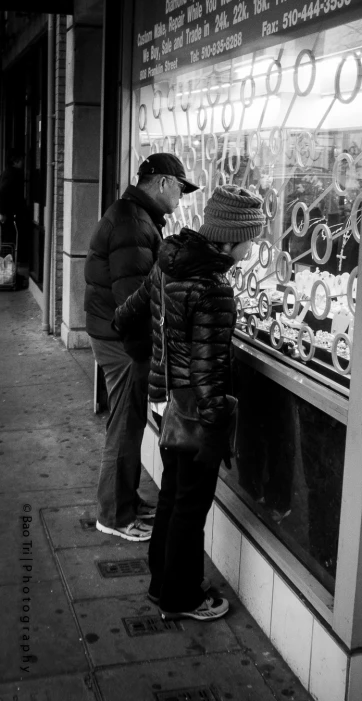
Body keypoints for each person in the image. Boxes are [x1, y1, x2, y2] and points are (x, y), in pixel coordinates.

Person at [114, 184, 265, 620]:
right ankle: (182, 598)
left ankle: (162, 584)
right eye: (250, 239)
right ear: (232, 237)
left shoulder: (169, 262)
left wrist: (152, 363)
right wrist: (218, 427)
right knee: (189, 509)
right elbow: (208, 372)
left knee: (171, 498)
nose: (250, 249)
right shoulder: (213, 287)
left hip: (167, 404)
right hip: (196, 415)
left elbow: (127, 314)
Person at [84, 153, 199, 541]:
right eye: (181, 188)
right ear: (163, 183)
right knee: (124, 426)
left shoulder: (136, 215)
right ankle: (114, 514)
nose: (181, 197)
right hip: (122, 343)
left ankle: (125, 501)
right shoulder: (134, 223)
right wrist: (145, 355)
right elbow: (132, 302)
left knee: (128, 422)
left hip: (113, 335)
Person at [0, 150, 26, 254]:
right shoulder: (13, 174)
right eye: (21, 160)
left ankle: (6, 266)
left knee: (7, 241)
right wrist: (2, 212)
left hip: (7, 213)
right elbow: (1, 192)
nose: (23, 163)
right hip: (9, 213)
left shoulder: (6, 172)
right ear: (15, 161)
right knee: (9, 241)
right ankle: (7, 266)